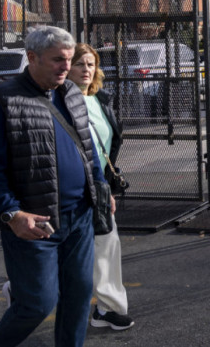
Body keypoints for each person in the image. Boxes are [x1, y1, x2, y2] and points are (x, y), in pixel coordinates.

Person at [0, 25, 108, 346]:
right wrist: (11, 214)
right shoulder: (2, 101)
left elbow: (87, 146)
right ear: (32, 58)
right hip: (34, 223)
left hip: (79, 218)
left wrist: (99, 186)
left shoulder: (70, 92)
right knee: (36, 304)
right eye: (57, 60)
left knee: (78, 298)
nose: (66, 67)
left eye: (68, 59)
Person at [68, 43, 134, 331]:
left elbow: (106, 145)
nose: (86, 70)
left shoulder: (100, 99)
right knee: (64, 251)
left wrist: (104, 185)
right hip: (70, 188)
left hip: (98, 187)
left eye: (90, 64)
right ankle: (21, 291)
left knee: (107, 244)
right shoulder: (60, 102)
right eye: (80, 64)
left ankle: (108, 309)